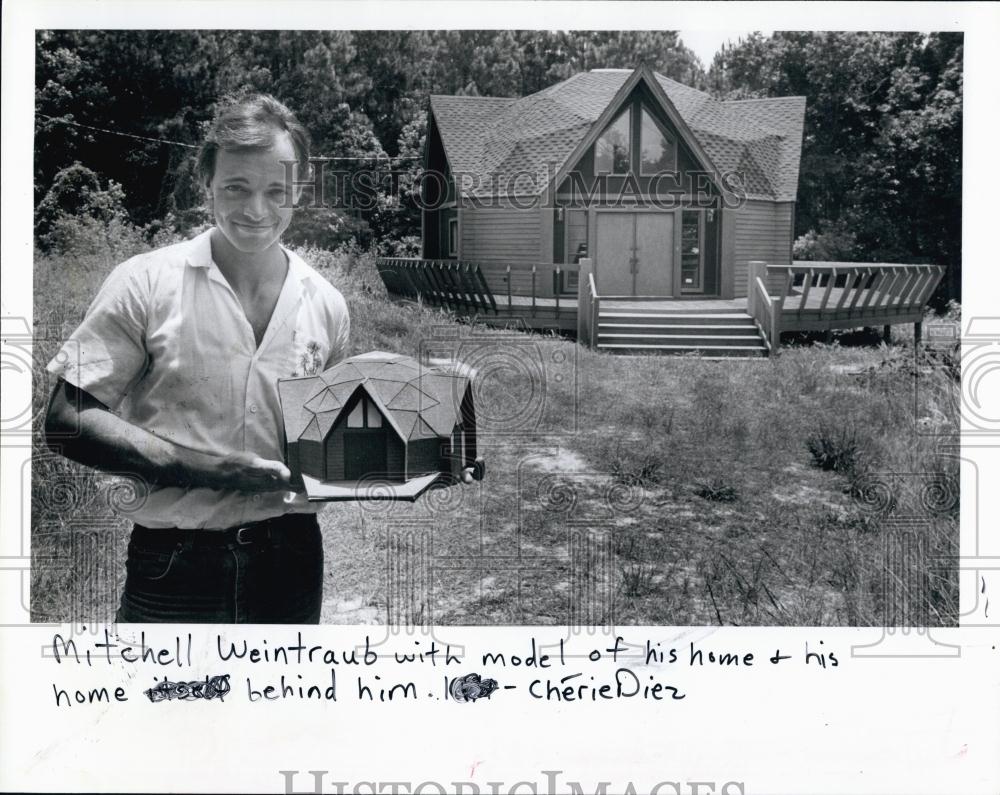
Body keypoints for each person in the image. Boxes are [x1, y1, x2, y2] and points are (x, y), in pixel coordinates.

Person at [43, 94, 350, 624]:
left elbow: (330, 441)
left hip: (293, 560)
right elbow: (66, 420)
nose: (257, 210)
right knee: (157, 706)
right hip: (175, 563)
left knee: (281, 708)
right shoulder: (145, 282)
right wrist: (206, 470)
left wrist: (426, 454)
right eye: (236, 187)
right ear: (206, 184)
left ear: (299, 191)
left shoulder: (327, 303)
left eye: (277, 190)